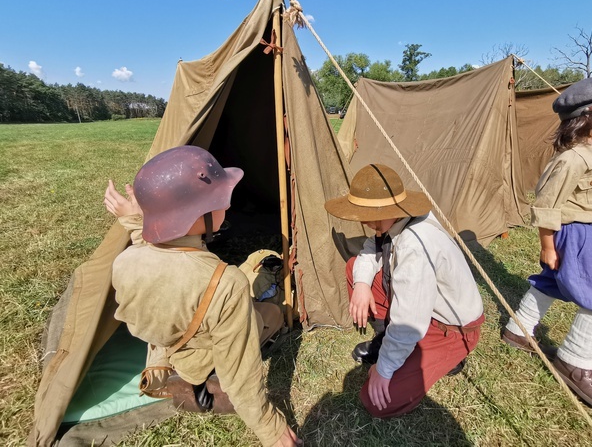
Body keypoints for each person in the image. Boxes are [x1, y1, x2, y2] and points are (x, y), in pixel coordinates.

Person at [105, 145, 301, 447]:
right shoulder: (225, 283)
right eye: (219, 201)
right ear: (199, 215)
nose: (226, 204)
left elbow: (157, 261)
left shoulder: (124, 262)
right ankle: (210, 377)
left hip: (170, 344)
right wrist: (271, 431)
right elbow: (241, 372)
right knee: (272, 314)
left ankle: (191, 373)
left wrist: (134, 221)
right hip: (209, 351)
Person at [502, 76, 592, 418]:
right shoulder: (571, 160)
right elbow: (546, 204)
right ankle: (575, 361)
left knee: (553, 281)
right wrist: (547, 245)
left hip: (589, 228)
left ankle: (518, 331)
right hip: (575, 234)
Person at [324, 163, 485, 418]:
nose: (366, 221)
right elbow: (370, 249)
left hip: (448, 328)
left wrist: (384, 369)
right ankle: (384, 341)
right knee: (355, 267)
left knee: (377, 402)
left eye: (371, 213)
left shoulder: (415, 246)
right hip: (422, 309)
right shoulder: (393, 222)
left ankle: (447, 357)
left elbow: (410, 319)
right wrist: (363, 284)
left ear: (393, 209)